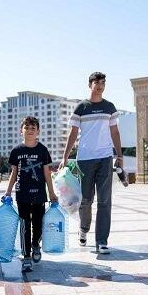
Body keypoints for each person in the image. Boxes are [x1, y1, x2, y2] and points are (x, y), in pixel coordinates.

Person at [59, 72, 122, 254]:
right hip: (85, 158)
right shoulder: (81, 107)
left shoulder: (109, 107)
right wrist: (65, 157)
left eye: (103, 82)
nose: (100, 85)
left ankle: (102, 241)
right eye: (97, 82)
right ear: (90, 85)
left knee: (104, 201)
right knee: (86, 200)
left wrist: (119, 155)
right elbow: (72, 133)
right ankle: (84, 229)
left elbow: (115, 132)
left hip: (104, 158)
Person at [5, 116, 57, 272]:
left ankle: (36, 245)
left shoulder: (42, 150)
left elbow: (47, 173)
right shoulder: (16, 151)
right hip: (22, 195)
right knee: (25, 226)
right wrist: (8, 192)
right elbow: (14, 173)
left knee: (39, 224)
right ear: (21, 130)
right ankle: (26, 256)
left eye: (33, 128)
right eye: (26, 127)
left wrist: (52, 193)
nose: (29, 130)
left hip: (40, 194)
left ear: (38, 132)